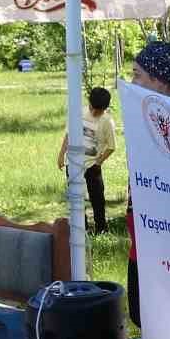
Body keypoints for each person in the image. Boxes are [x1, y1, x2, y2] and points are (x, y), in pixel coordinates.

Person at [121, 41, 170, 329]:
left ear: (160, 81)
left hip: (163, 243)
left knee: (160, 318)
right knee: (143, 316)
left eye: (137, 74)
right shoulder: (150, 116)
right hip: (141, 239)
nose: (132, 81)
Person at [57, 86, 118, 234]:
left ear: (105, 108)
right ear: (88, 102)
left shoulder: (107, 122)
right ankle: (81, 228)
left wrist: (99, 161)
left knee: (97, 198)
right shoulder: (78, 113)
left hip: (92, 166)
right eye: (92, 107)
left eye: (98, 110)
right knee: (76, 198)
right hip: (73, 164)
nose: (93, 112)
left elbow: (111, 146)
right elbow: (69, 134)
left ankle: (101, 229)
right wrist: (61, 154)